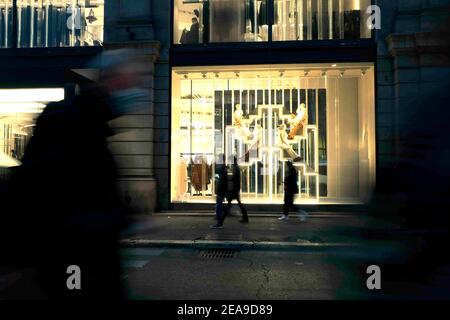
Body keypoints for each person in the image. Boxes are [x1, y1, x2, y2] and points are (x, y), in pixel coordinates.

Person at [4, 49, 146, 299]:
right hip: (72, 257)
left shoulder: (96, 125)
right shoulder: (69, 121)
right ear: (111, 81)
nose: (137, 90)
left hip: (85, 254)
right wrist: (107, 220)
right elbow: (49, 197)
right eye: (131, 82)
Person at [220, 156, 249, 225]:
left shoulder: (236, 168)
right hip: (235, 189)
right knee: (237, 204)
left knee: (230, 204)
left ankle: (221, 220)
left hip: (234, 190)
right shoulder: (236, 168)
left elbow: (235, 178)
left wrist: (230, 179)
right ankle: (245, 217)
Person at [211, 154, 228, 229]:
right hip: (222, 190)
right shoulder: (224, 168)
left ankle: (219, 223)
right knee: (219, 206)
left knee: (219, 206)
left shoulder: (222, 168)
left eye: (219, 159)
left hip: (221, 190)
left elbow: (222, 181)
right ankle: (219, 221)